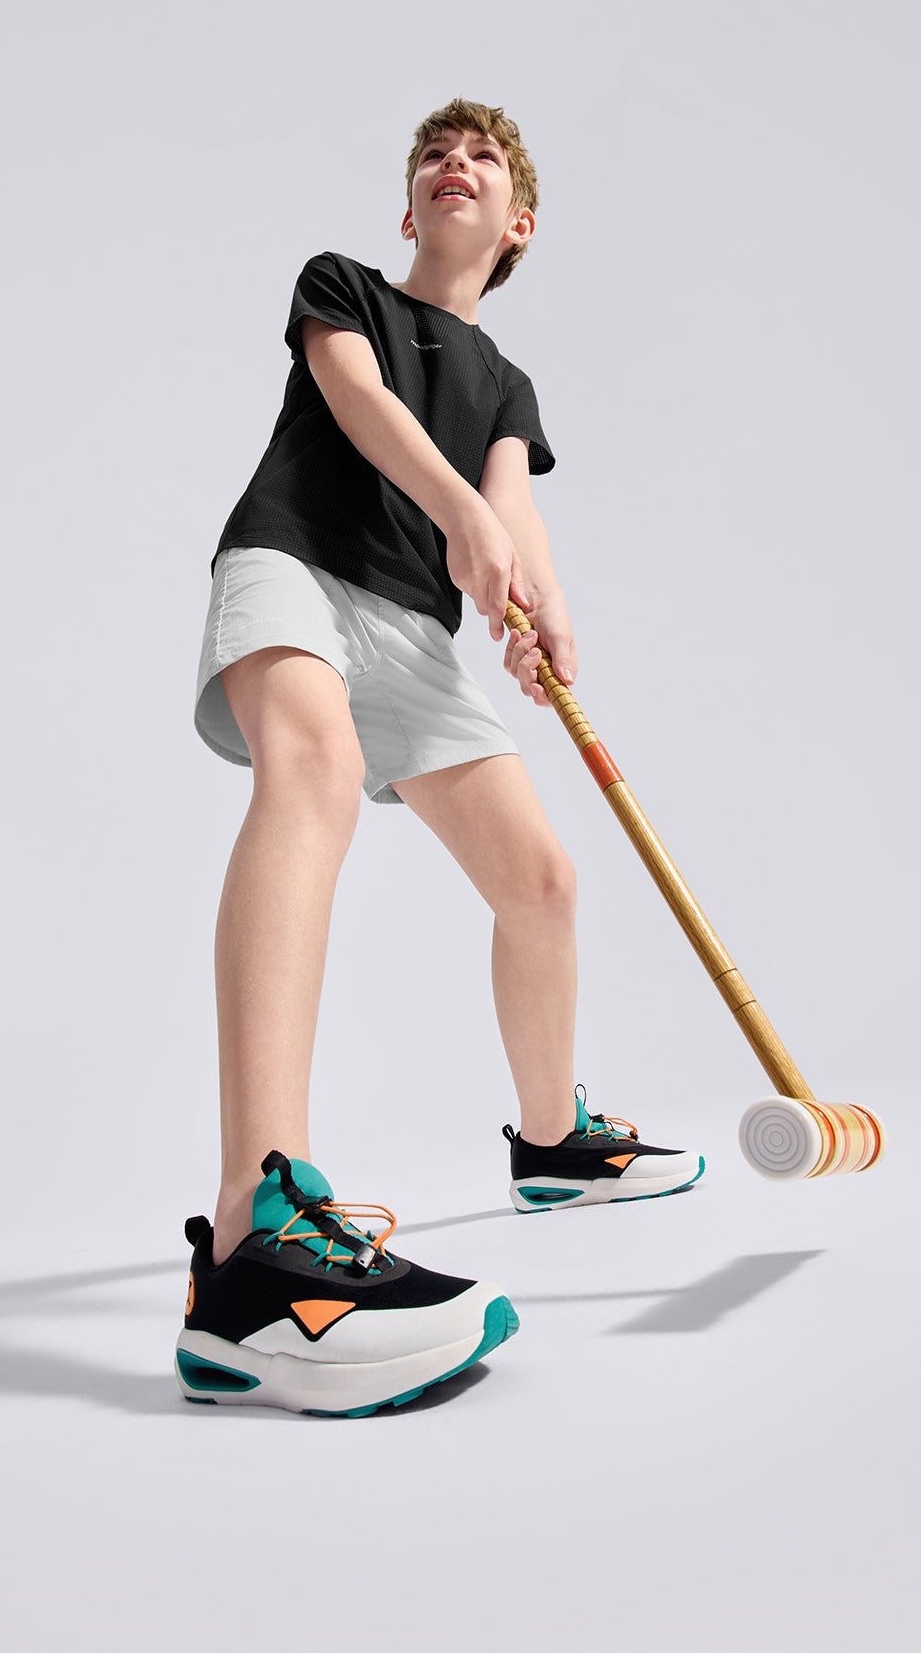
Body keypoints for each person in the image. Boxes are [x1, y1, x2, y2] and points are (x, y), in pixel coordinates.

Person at [177, 99, 705, 1416]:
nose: (453, 164)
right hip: (295, 566)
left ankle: (554, 1144)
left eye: (483, 159)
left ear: (518, 225)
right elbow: (362, 407)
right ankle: (255, 1235)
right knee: (314, 773)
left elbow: (512, 512)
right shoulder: (342, 286)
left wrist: (544, 604)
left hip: (413, 630)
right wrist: (464, 511)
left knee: (543, 884)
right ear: (408, 208)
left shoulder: (506, 385)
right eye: (434, 156)